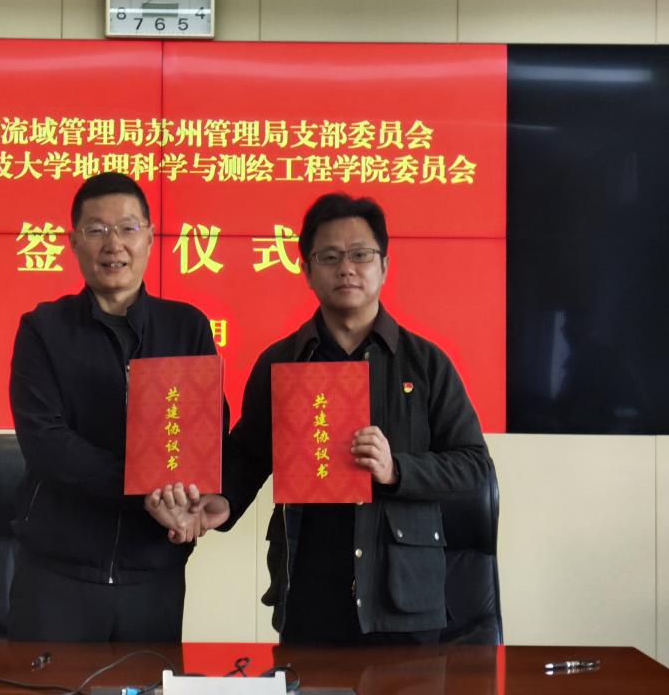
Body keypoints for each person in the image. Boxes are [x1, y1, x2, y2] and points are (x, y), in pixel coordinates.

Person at [184, 192, 491, 644]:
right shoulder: (282, 362)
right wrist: (225, 500)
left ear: (384, 265)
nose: (346, 268)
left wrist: (396, 469)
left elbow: (473, 465)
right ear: (307, 270)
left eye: (360, 255)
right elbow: (249, 454)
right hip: (309, 589)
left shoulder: (425, 364)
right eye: (329, 257)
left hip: (404, 599)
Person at [8, 172, 220, 642]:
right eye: (96, 230)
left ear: (150, 238)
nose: (113, 244)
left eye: (127, 228)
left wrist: (187, 500)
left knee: (146, 679)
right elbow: (46, 442)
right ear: (73, 242)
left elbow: (208, 429)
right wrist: (144, 489)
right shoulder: (44, 328)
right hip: (57, 574)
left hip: (153, 572)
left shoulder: (186, 327)